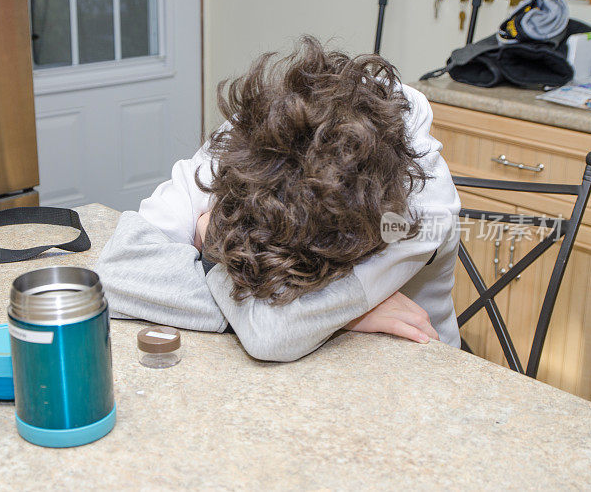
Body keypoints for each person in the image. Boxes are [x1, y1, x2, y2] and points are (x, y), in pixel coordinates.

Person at [95, 36, 461, 362]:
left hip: (415, 369)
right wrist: (337, 315)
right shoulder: (255, 136)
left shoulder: (420, 216)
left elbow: (272, 333)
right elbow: (117, 272)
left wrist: (211, 239)